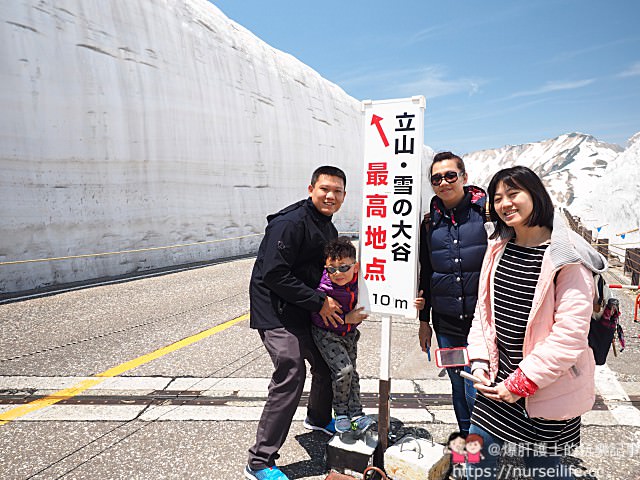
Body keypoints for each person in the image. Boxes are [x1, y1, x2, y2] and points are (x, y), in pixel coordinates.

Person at [466, 166, 607, 480]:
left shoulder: (566, 259)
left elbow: (569, 337)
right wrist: (478, 362)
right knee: (472, 463)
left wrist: (520, 383)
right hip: (495, 388)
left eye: (514, 193)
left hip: (545, 390)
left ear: (535, 195)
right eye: (498, 198)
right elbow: (483, 313)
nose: (505, 204)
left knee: (546, 472)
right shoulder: (499, 246)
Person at [245, 166, 348, 480]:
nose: (330, 196)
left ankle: (318, 418)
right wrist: (320, 302)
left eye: (338, 191)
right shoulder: (290, 223)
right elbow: (274, 274)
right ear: (311, 189)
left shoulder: (328, 228)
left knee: (328, 362)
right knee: (291, 368)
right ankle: (260, 461)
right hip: (274, 309)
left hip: (302, 308)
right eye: (324, 189)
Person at [418, 151, 488, 435]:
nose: (444, 182)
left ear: (464, 178)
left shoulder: (485, 215)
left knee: (479, 387)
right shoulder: (428, 223)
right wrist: (424, 321)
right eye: (437, 178)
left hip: (484, 323)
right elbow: (426, 272)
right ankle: (467, 444)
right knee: (458, 386)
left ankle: (483, 448)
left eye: (450, 176)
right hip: (446, 323)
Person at [310, 236, 371, 434]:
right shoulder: (323, 288)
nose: (338, 273)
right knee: (344, 370)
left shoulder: (362, 280)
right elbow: (318, 317)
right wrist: (347, 318)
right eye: (332, 269)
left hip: (350, 334)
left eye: (344, 267)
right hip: (327, 334)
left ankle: (357, 414)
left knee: (352, 372)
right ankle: (341, 413)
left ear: (356, 266)